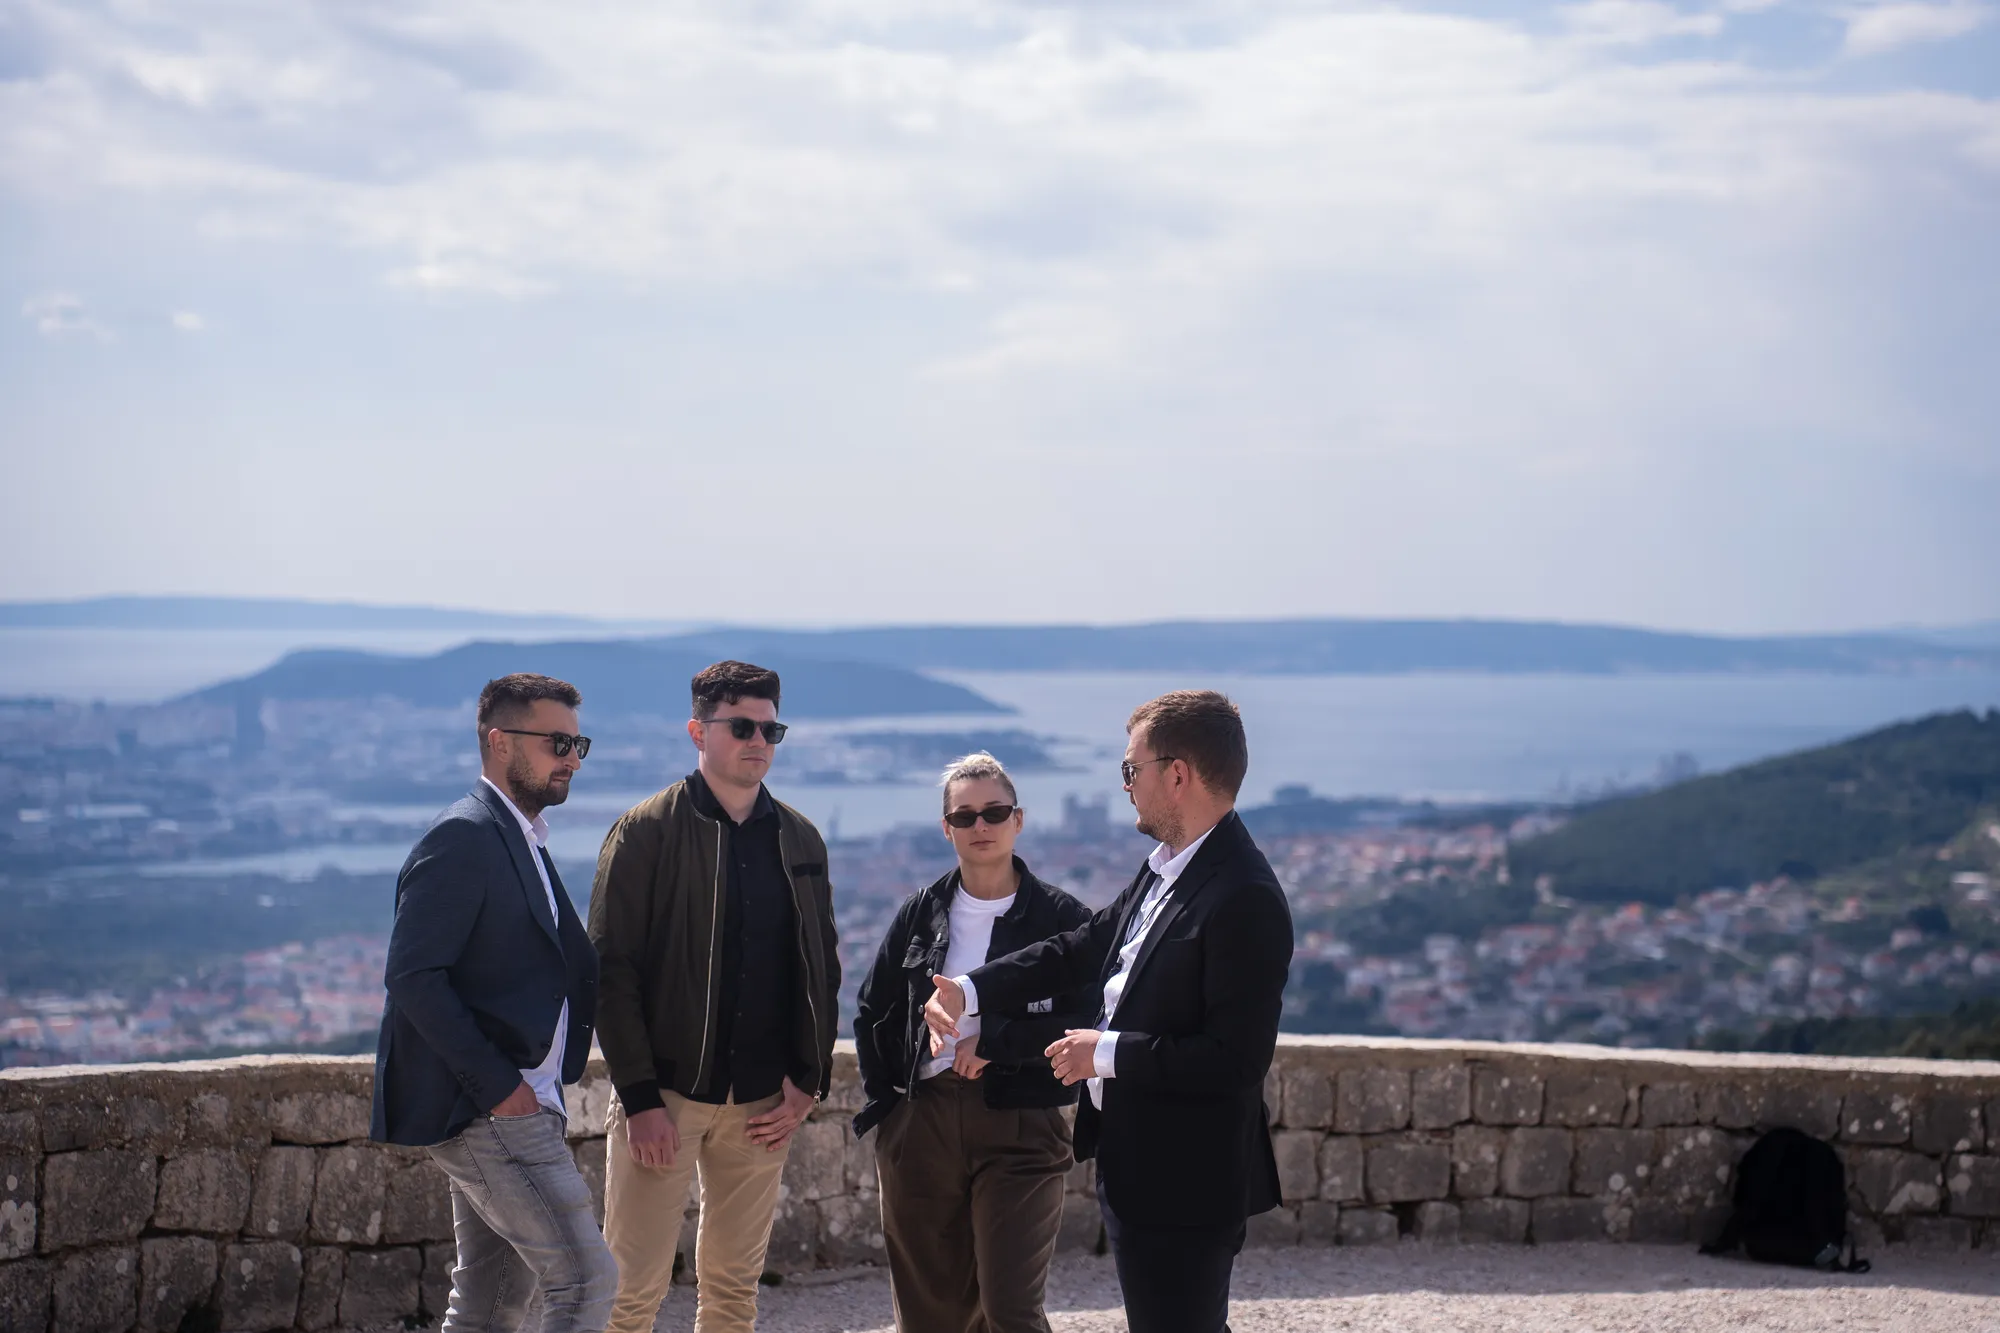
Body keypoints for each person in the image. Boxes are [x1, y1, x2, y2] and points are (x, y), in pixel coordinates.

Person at [926, 691, 1293, 1333]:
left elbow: (1235, 1060)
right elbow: (1082, 946)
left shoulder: (1244, 896)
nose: (1125, 786)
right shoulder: (1167, 871)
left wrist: (1105, 1052)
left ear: (1175, 776)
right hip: (1140, 1161)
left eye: (1132, 769)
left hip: (1187, 1176)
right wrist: (969, 989)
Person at [588, 660, 842, 1333]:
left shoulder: (799, 839)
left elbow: (822, 966)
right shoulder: (646, 831)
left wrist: (807, 1080)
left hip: (763, 1100)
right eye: (741, 726)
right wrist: (640, 1099)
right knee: (631, 1292)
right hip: (665, 1097)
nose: (758, 739)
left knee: (733, 1292)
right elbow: (610, 972)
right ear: (699, 730)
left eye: (770, 727)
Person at [370, 673, 616, 1333]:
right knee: (587, 1280)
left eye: (578, 742)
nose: (572, 757)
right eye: (556, 741)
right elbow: (413, 974)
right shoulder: (465, 837)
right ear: (499, 739)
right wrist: (501, 1088)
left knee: (490, 1303)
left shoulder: (521, 836)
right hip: (494, 1109)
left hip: (522, 1100)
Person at [853, 753, 1094, 1333]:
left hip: (1021, 1123)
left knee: (1010, 1307)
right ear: (947, 828)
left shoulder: (1062, 920)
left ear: (1018, 820)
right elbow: (873, 1009)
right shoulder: (922, 912)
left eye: (995, 812)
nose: (980, 826)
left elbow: (1090, 1019)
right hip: (922, 1121)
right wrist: (892, 1105)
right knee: (928, 1310)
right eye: (964, 817)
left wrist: (999, 1043)